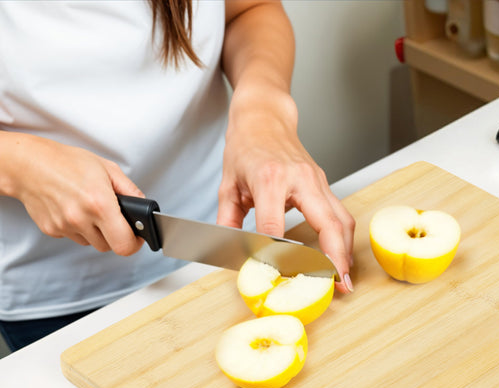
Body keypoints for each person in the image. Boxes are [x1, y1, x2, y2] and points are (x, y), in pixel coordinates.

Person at [0, 0, 355, 353]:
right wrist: (20, 166)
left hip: (225, 241)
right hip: (60, 302)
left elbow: (248, 10)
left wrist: (262, 109)